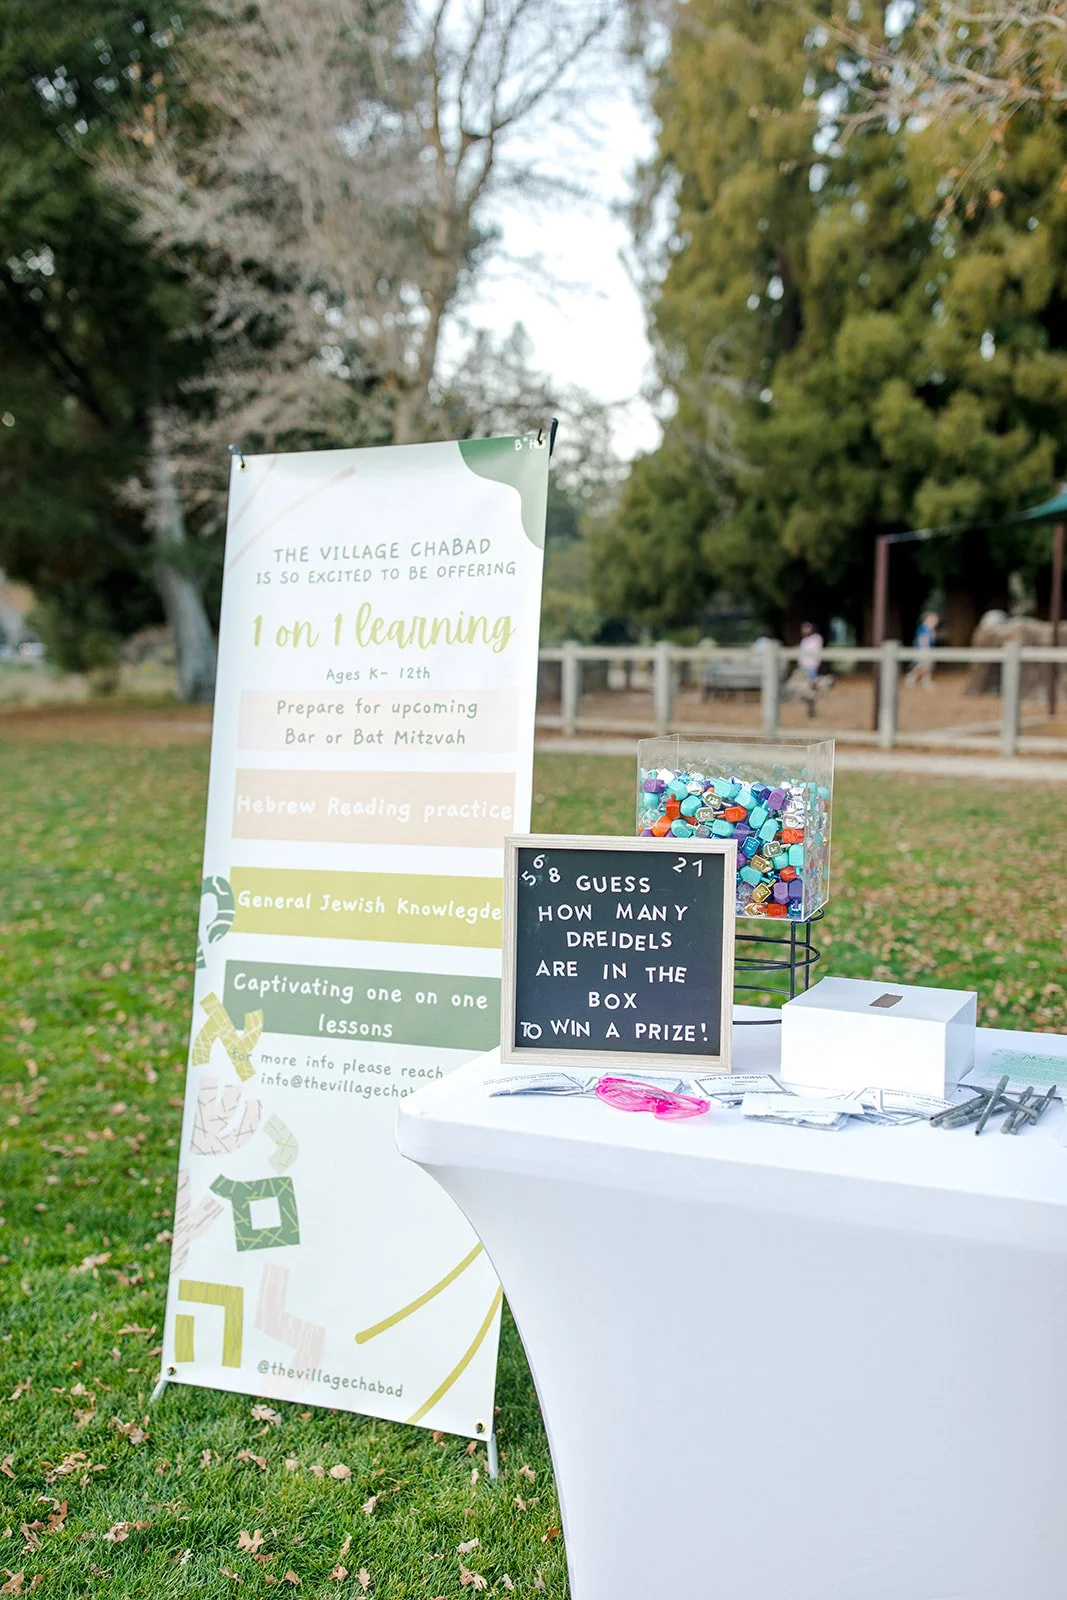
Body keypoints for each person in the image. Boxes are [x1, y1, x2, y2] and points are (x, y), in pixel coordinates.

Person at [906, 610, 939, 688]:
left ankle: (924, 680)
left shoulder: (930, 629)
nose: (936, 621)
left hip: (927, 650)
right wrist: (925, 650)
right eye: (934, 619)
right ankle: (912, 678)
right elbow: (923, 640)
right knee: (921, 666)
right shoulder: (924, 628)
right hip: (923, 650)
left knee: (926, 666)